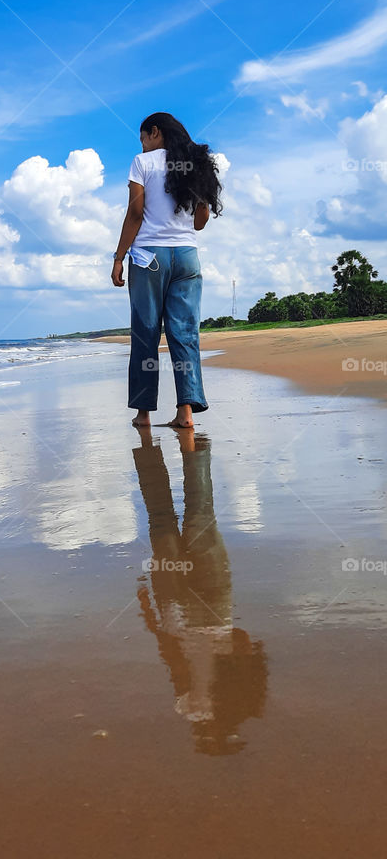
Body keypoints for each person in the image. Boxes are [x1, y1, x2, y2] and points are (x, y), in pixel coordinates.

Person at [133, 428, 268, 755]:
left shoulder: (247, 701)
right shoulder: (189, 708)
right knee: (163, 520)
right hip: (175, 608)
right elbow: (172, 656)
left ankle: (195, 448)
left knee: (200, 512)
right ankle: (152, 446)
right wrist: (149, 614)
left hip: (214, 606)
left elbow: (245, 643)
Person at [111, 112, 222, 428]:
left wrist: (119, 257)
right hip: (187, 256)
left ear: (154, 132)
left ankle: (144, 413)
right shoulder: (195, 164)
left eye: (143, 138)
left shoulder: (142, 163)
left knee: (146, 332)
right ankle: (185, 413)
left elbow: (135, 213)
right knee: (184, 334)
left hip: (149, 258)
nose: (143, 145)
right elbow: (200, 222)